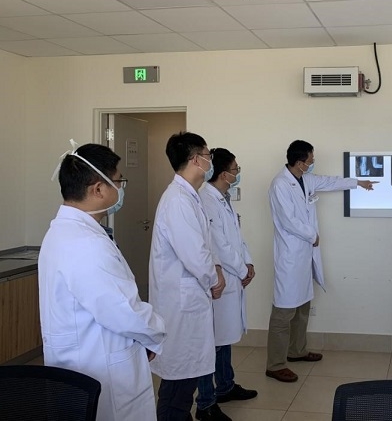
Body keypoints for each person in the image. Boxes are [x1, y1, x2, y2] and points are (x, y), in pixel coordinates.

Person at [39, 142, 166, 421]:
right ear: (98, 189)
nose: (121, 189)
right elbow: (123, 310)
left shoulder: (64, 232)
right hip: (102, 367)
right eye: (119, 181)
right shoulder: (85, 243)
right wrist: (156, 333)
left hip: (82, 360)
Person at [266, 140, 377, 383]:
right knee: (284, 311)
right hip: (290, 256)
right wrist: (312, 235)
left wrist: (358, 183)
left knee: (302, 307)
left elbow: (330, 181)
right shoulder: (280, 185)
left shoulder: (305, 179)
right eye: (310, 160)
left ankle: (297, 351)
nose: (313, 163)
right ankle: (275, 364)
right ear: (299, 162)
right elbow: (288, 220)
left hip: (304, 254)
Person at [149, 132, 227, 421]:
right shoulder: (178, 200)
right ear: (196, 159)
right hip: (180, 305)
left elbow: (205, 244)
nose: (210, 160)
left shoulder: (190, 196)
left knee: (185, 380)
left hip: (191, 299)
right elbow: (194, 253)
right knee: (178, 383)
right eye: (208, 154)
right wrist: (215, 278)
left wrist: (216, 269)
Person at [195, 148, 258, 419]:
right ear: (223, 174)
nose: (238, 173)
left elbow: (237, 237)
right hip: (221, 278)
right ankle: (205, 401)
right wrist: (242, 269)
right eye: (235, 169)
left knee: (224, 339)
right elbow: (219, 244)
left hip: (234, 275)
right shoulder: (206, 200)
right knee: (213, 342)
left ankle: (225, 386)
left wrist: (248, 263)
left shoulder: (223, 198)